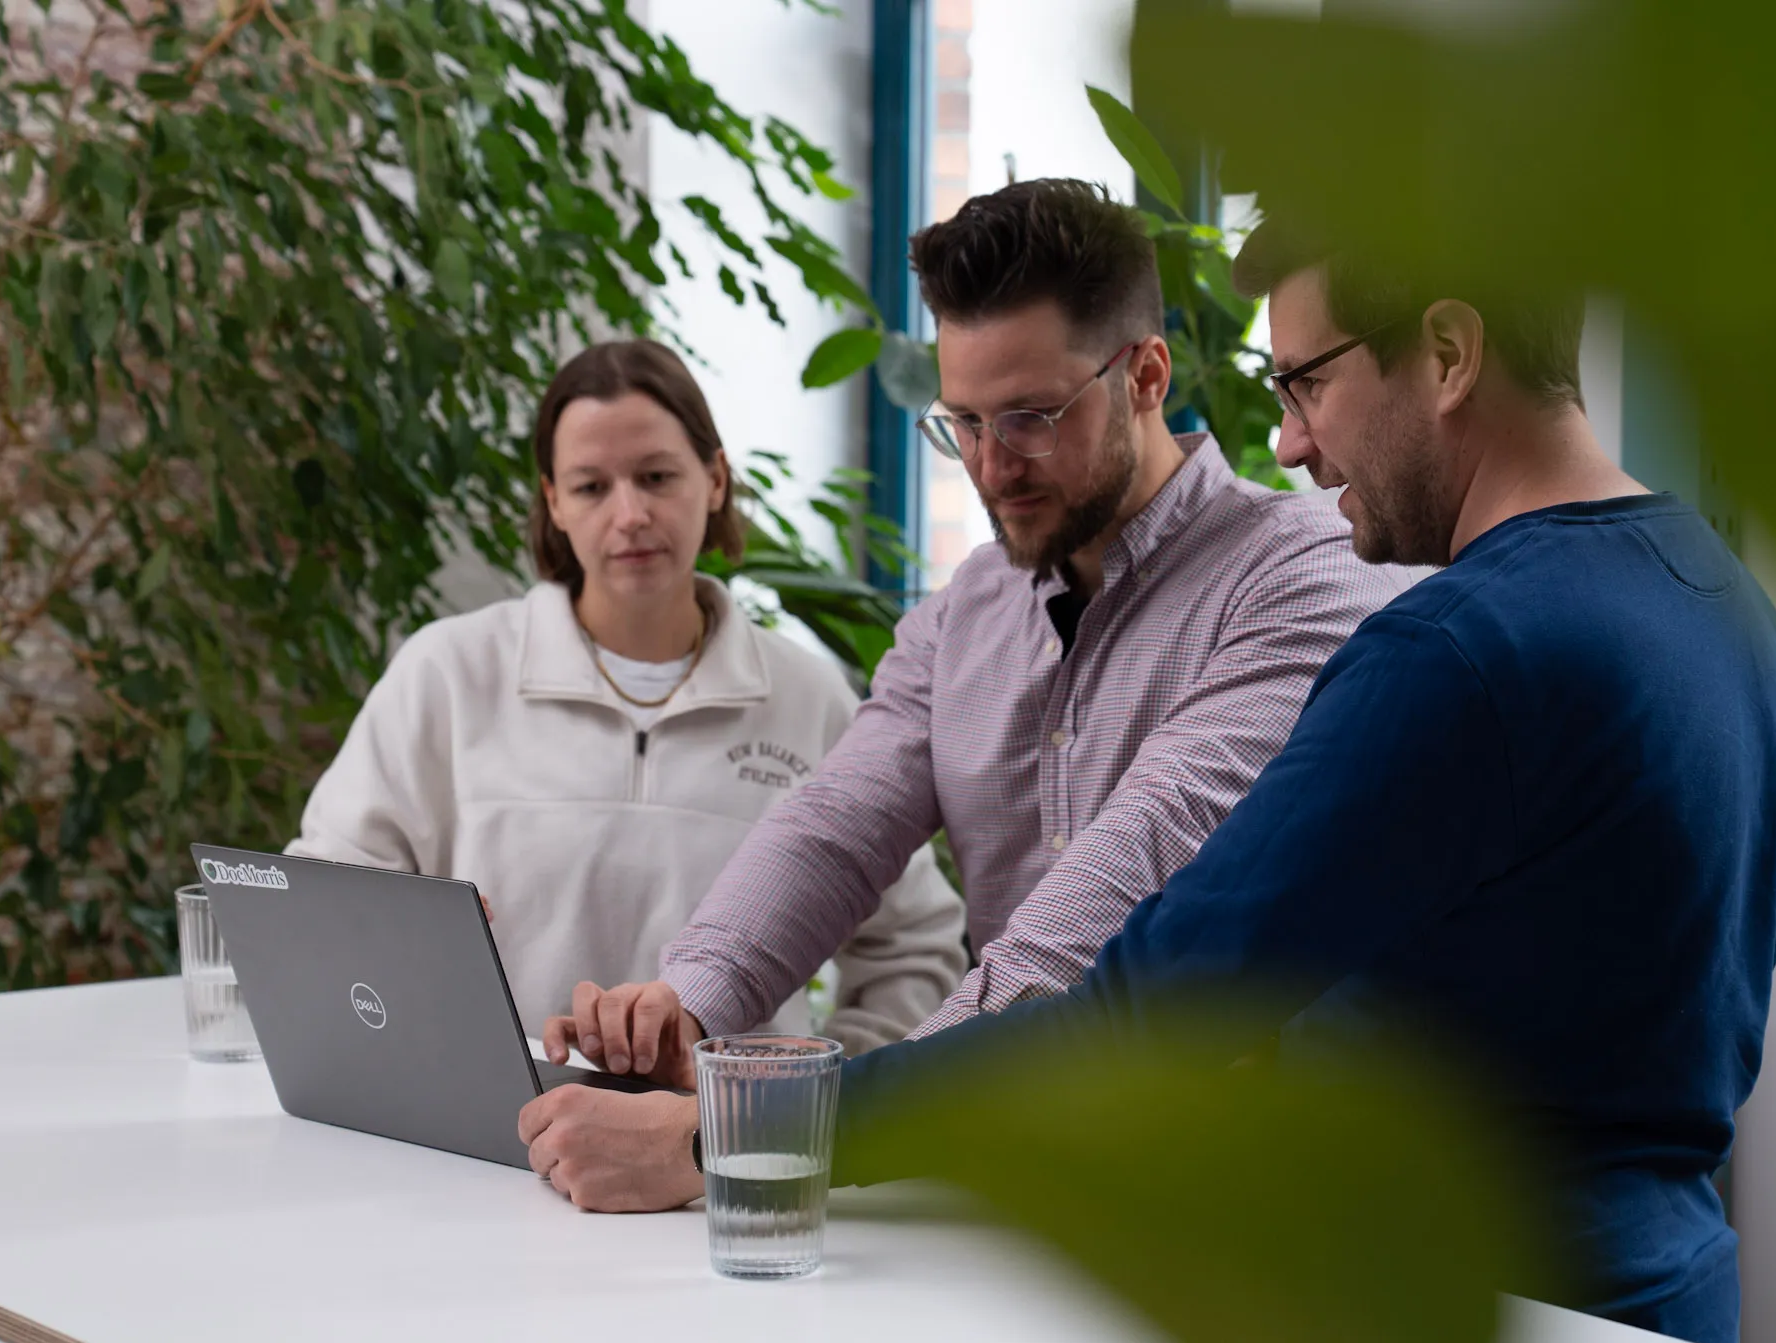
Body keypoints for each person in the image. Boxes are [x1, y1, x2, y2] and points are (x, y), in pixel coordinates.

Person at [514, 227, 1776, 1343]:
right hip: (1662, 1301)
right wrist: (700, 1005)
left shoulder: (1455, 649)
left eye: (1307, 381)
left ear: (1452, 352)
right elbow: (836, 822)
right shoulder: (1728, 607)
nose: (1292, 439)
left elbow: (1148, 1007)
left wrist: (735, 1138)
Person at [532, 178, 1407, 1086]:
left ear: (1145, 376)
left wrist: (847, 1113)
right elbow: (836, 827)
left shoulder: (1304, 571)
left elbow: (1137, 866)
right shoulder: (965, 616)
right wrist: (687, 1003)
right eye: (964, 424)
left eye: (1033, 418)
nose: (992, 466)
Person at [286, 340, 966, 1052]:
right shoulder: (448, 674)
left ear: (714, 479)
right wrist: (411, 944)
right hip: (481, 1138)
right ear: (553, 501)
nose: (631, 513)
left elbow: (914, 947)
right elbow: (318, 904)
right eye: (591, 487)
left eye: (656, 476)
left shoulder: (810, 697)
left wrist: (816, 1099)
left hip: (712, 1149)